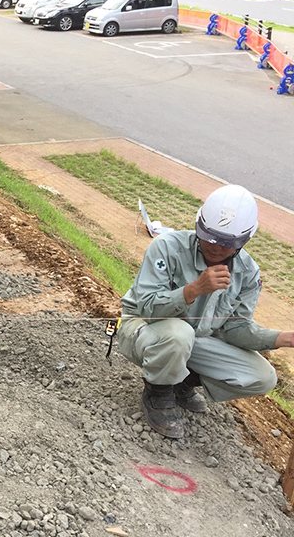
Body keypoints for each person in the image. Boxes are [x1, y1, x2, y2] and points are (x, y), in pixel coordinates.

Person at [117, 184, 294, 439]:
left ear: (244, 240)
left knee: (263, 377)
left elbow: (236, 328)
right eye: (209, 237)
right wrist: (194, 289)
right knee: (180, 334)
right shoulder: (167, 247)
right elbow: (146, 308)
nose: (216, 247)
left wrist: (282, 338)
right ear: (199, 225)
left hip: (192, 340)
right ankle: (158, 394)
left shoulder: (247, 272)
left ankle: (182, 384)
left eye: (227, 243)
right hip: (143, 329)